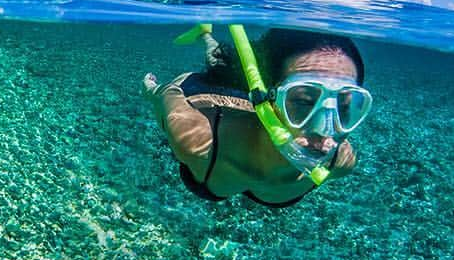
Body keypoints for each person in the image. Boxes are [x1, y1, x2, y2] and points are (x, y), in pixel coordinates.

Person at [143, 26, 372, 207]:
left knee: (223, 62)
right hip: (207, 96)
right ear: (269, 100)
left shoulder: (340, 163)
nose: (325, 132)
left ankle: (207, 34)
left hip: (263, 101)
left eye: (344, 107)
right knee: (219, 66)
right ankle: (206, 34)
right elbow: (166, 93)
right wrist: (150, 88)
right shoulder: (197, 141)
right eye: (303, 102)